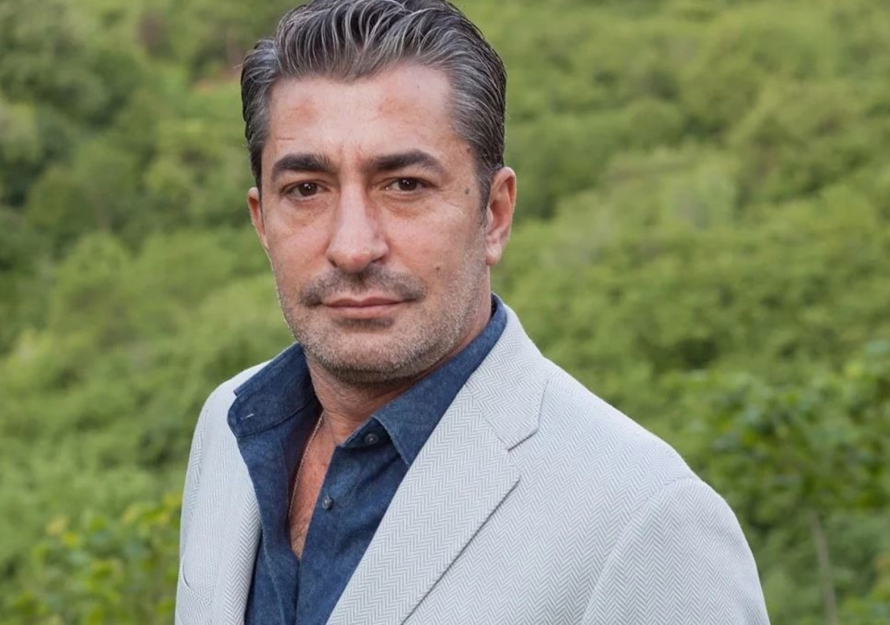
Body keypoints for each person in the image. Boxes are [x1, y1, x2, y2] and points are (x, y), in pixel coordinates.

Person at [175, 0, 770, 623]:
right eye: (306, 190)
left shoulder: (647, 523)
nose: (352, 246)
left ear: (495, 214)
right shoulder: (228, 429)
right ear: (261, 221)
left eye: (405, 184)